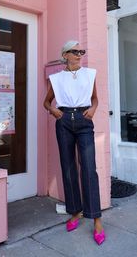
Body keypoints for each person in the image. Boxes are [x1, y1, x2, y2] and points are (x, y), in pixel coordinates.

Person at [43, 40, 105, 245]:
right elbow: (47, 101)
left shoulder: (89, 74)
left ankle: (96, 218)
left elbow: (95, 99)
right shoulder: (57, 78)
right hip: (64, 122)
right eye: (75, 51)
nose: (79, 54)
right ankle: (75, 212)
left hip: (83, 120)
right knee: (68, 168)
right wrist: (54, 111)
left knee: (89, 168)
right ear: (65, 55)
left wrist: (94, 109)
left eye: (81, 51)